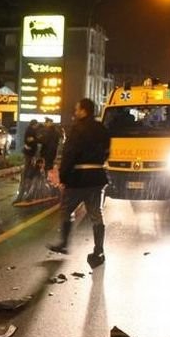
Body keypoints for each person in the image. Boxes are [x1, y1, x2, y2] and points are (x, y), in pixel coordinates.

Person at [47, 98, 111, 268]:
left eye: (77, 109)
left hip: (78, 178)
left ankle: (64, 243)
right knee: (96, 214)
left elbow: (69, 154)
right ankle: (99, 249)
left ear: (83, 111)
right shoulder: (102, 129)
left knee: (66, 209)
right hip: (97, 177)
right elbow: (106, 152)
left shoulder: (76, 129)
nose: (75, 112)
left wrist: (64, 176)